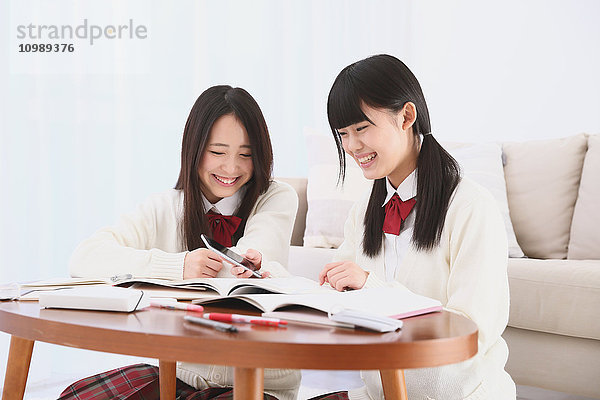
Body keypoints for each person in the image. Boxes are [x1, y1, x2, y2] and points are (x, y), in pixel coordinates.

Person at [62, 85, 301, 400]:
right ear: (194, 148)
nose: (231, 168)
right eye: (217, 152)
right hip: (177, 375)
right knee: (76, 395)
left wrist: (249, 267)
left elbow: (246, 273)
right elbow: (85, 258)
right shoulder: (164, 206)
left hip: (259, 381)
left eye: (246, 154)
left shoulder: (277, 197)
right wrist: (177, 266)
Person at [314, 55, 515, 400]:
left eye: (361, 128)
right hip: (382, 392)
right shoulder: (365, 210)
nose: (351, 146)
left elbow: (470, 330)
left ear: (407, 116)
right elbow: (338, 299)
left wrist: (371, 289)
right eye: (343, 134)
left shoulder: (470, 207)